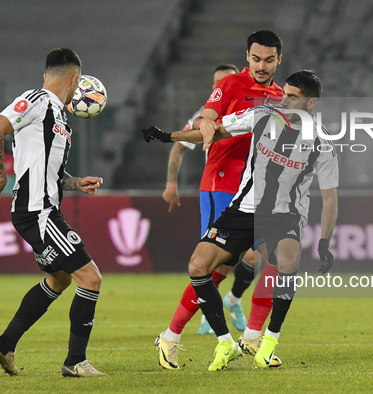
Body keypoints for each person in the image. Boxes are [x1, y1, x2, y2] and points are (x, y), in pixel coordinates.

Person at [143, 69, 338, 371]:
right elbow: (215, 130)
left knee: (284, 263)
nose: (283, 100)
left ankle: (266, 338)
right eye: (284, 93)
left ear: (311, 104)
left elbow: (330, 198)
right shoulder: (262, 115)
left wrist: (324, 242)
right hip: (242, 210)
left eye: (293, 97)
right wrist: (170, 136)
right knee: (199, 265)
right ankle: (223, 341)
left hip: (283, 217)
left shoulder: (322, 144)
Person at [147, 30, 284, 370]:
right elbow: (204, 117)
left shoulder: (281, 96)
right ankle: (172, 335)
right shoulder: (232, 84)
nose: (261, 66)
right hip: (222, 185)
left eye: (269, 59)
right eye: (255, 59)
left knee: (274, 261)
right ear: (247, 57)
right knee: (213, 268)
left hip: (257, 194)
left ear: (279, 59)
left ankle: (251, 336)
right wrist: (206, 124)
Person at [0, 48, 106, 377]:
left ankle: (5, 344)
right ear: (76, 79)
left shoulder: (59, 116)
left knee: (59, 279)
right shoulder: (36, 100)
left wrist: (77, 182)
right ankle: (75, 362)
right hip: (38, 211)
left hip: (44, 208)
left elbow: (48, 171)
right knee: (91, 278)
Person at [162, 63, 248, 336]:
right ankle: (188, 324)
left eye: (226, 81)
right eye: (216, 83)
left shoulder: (251, 110)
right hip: (218, 188)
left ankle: (232, 299)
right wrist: (171, 182)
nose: (220, 86)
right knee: (212, 261)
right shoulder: (204, 116)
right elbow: (179, 148)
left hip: (248, 191)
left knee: (257, 256)